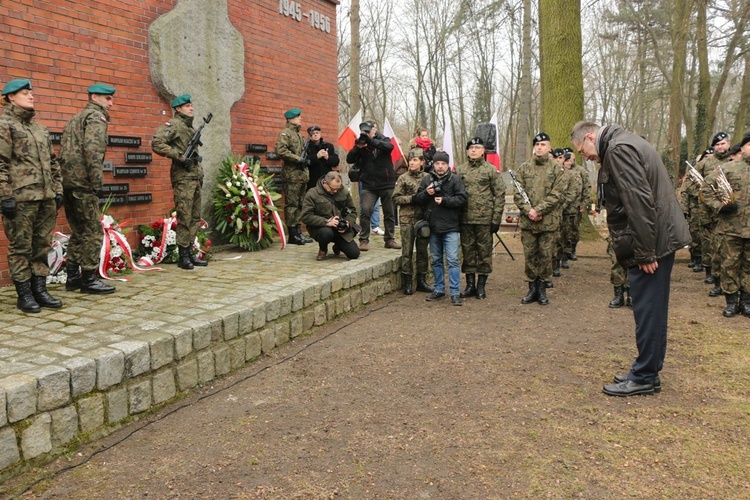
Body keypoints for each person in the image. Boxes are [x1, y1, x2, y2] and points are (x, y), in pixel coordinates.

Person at [571, 121, 690, 397]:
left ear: (590, 137)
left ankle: (644, 375)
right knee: (653, 309)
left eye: (583, 150)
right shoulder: (626, 141)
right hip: (657, 237)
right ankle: (649, 370)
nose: (585, 157)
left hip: (651, 242)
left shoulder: (618, 149)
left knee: (647, 310)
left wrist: (646, 252)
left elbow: (638, 201)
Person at [0, 78, 64, 312]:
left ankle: (40, 289)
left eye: (31, 92)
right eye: (25, 93)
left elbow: (53, 163)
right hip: (21, 198)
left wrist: (58, 190)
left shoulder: (39, 128)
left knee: (42, 245)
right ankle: (24, 294)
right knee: (21, 246)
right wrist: (5, 195)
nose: (31, 95)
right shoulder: (4, 125)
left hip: (46, 197)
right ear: (10, 97)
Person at [60, 83, 117, 294]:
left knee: (78, 231)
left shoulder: (75, 118)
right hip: (83, 183)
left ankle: (73, 277)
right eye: (107, 99)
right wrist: (96, 183)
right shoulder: (95, 117)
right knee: (93, 231)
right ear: (94, 97)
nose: (111, 103)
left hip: (68, 183)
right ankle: (89, 278)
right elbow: (93, 151)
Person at [152, 94, 208, 269]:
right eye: (187, 106)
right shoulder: (174, 125)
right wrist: (180, 157)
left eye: (191, 105)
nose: (191, 108)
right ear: (177, 109)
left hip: (195, 177)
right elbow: (157, 143)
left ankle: (190, 252)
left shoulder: (189, 128)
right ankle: (183, 256)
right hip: (183, 178)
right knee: (184, 216)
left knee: (194, 217)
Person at [513, 132, 566, 305]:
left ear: (549, 147)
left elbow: (557, 194)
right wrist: (529, 210)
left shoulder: (556, 169)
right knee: (530, 256)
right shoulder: (524, 167)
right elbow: (517, 192)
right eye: (537, 145)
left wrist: (540, 209)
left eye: (543, 145)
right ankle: (531, 289)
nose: (539, 147)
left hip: (548, 221)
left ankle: (542, 289)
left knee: (546, 256)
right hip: (529, 222)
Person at [702, 135, 750, 317]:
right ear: (742, 148)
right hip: (731, 229)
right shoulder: (728, 169)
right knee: (729, 265)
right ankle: (731, 302)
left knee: (748, 267)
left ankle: (746, 302)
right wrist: (720, 207)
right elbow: (705, 189)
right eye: (749, 145)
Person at [412, 151, 467, 305]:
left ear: (447, 164)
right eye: (437, 163)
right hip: (433, 227)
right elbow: (417, 199)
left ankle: (455, 292)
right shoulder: (427, 179)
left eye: (443, 163)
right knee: (436, 260)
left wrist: (444, 201)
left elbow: (462, 199)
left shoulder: (455, 179)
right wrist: (426, 193)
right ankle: (439, 289)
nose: (440, 167)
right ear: (433, 165)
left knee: (453, 261)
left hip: (451, 227)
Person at [455, 137, 506, 299]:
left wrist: (496, 218)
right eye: (471, 147)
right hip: (465, 218)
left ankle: (481, 286)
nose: (474, 150)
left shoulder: (490, 170)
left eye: (477, 147)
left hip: (485, 219)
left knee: (484, 253)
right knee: (468, 252)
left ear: (483, 151)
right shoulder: (461, 170)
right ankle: (470, 285)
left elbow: (499, 194)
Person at [345, 120, 400, 251]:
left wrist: (371, 141)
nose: (367, 133)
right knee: (365, 211)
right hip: (369, 184)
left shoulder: (383, 139)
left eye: (369, 131)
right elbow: (349, 159)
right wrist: (357, 147)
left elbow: (389, 147)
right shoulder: (361, 142)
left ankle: (389, 239)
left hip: (386, 183)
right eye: (365, 131)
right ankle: (363, 240)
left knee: (389, 212)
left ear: (374, 129)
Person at [392, 148, 432, 295]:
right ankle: (407, 282)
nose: (412, 163)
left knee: (422, 251)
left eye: (415, 160)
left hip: (422, 220)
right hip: (407, 219)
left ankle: (422, 280)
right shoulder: (403, 178)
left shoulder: (428, 177)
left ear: (422, 162)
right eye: (410, 160)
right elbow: (395, 198)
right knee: (407, 251)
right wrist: (412, 199)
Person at [697, 133, 732, 291]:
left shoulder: (735, 162)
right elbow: (697, 187)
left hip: (734, 214)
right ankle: (714, 277)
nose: (720, 147)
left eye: (723, 144)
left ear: (729, 144)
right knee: (713, 246)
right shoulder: (706, 163)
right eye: (717, 145)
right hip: (711, 213)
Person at [300, 171, 360, 260]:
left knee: (354, 254)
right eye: (332, 189)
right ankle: (323, 249)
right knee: (326, 233)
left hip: (340, 229)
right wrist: (327, 222)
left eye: (337, 188)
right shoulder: (312, 193)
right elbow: (306, 216)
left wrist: (347, 222)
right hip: (322, 228)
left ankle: (338, 246)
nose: (335, 191)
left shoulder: (343, 191)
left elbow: (352, 211)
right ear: (325, 183)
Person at [274, 107, 312, 245]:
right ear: (290, 119)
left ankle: (298, 232)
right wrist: (298, 159)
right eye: (297, 116)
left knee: (301, 204)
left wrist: (305, 160)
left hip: (301, 175)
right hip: (292, 175)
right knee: (292, 205)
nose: (300, 118)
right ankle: (292, 235)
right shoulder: (286, 133)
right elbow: (281, 151)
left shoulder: (299, 135)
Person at [564, 147, 591, 261]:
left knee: (574, 230)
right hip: (564, 207)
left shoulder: (580, 170)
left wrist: (584, 203)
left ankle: (572, 250)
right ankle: (564, 252)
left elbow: (587, 188)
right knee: (564, 231)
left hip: (576, 206)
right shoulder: (561, 169)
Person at [304, 125, 339, 191]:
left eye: (317, 133)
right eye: (313, 133)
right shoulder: (306, 147)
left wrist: (328, 157)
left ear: (320, 134)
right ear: (309, 135)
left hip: (327, 178)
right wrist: (316, 156)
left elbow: (336, 161)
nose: (315, 135)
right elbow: (305, 161)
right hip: (312, 179)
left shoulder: (328, 146)